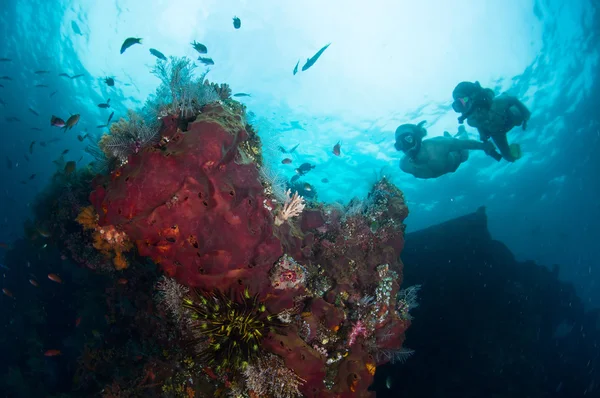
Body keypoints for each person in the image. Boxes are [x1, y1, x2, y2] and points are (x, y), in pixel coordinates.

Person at [451, 81, 531, 162]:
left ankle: (520, 119)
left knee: (518, 119)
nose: (462, 110)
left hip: (508, 117)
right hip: (496, 132)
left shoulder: (498, 103)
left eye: (462, 102)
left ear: (473, 97)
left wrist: (526, 116)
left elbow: (513, 99)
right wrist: (486, 145)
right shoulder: (472, 121)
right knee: (509, 158)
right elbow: (480, 128)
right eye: (458, 106)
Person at [395, 121, 501, 179]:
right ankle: (449, 136)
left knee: (461, 142)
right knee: (451, 141)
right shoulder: (404, 165)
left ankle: (462, 131)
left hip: (459, 155)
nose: (406, 147)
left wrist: (484, 146)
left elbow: (465, 144)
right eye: (400, 145)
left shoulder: (438, 145)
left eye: (408, 139)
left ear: (418, 136)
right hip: (448, 160)